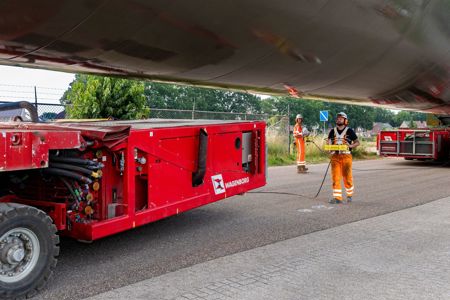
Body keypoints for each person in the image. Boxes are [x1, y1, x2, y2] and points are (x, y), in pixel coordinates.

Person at [327, 112, 360, 203]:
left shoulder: (350, 131)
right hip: (335, 157)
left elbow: (357, 142)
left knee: (347, 177)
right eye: (337, 118)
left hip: (346, 156)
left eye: (341, 118)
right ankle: (337, 198)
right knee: (335, 177)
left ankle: (349, 195)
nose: (339, 120)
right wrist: (329, 148)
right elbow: (329, 141)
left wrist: (350, 145)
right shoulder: (332, 131)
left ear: (345, 120)